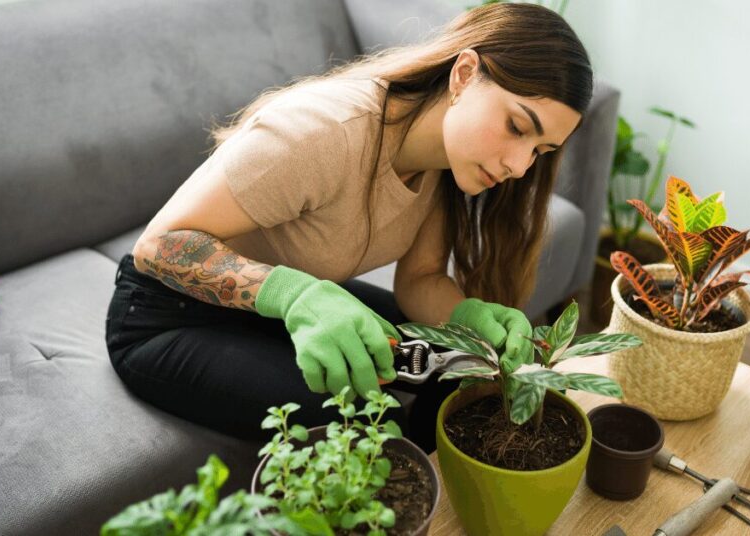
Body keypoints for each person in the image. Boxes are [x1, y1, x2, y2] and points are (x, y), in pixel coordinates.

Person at [104, 2, 592, 453]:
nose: (519, 165)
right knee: (368, 428)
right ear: (464, 75)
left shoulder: (444, 161)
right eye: (516, 127)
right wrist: (296, 296)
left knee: (461, 374)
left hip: (272, 312)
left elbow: (419, 280)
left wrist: (468, 317)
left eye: (539, 151)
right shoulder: (325, 131)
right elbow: (158, 247)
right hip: (167, 316)